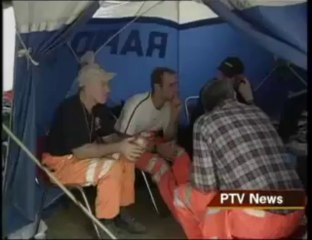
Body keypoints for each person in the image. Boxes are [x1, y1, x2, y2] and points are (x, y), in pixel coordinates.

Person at [173, 79, 305, 239]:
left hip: (260, 222)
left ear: (206, 107)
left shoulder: (205, 122)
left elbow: (205, 186)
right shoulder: (258, 112)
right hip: (296, 208)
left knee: (183, 195)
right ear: (234, 95)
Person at [43, 54, 147, 234]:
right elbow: (81, 152)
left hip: (79, 159)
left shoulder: (99, 108)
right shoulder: (70, 108)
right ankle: (104, 223)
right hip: (59, 165)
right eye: (103, 84)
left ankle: (119, 212)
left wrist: (130, 142)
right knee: (111, 167)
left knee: (126, 157)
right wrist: (118, 147)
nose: (109, 89)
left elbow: (111, 139)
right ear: (87, 86)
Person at [114, 67, 192, 218]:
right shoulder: (137, 103)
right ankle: (180, 213)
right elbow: (123, 139)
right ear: (158, 87)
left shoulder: (169, 105)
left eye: (176, 84)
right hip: (128, 144)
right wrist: (156, 148)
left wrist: (175, 115)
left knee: (181, 154)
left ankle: (188, 199)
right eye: (171, 85)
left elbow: (169, 137)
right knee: (161, 166)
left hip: (152, 140)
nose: (176, 89)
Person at [190, 56, 254, 127]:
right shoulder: (211, 90)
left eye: (228, 76)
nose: (222, 78)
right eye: (221, 73)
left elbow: (253, 123)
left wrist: (249, 100)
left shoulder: (244, 91)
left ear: (240, 78)